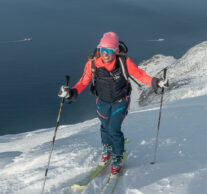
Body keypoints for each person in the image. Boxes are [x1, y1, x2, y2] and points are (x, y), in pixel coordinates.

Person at [58, 32, 168, 174]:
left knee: (114, 129)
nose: (105, 54)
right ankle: (107, 147)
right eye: (103, 50)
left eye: (109, 50)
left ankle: (117, 156)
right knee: (104, 127)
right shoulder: (92, 64)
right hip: (102, 101)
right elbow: (84, 81)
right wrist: (71, 92)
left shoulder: (123, 62)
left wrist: (156, 82)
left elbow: (139, 75)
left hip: (120, 101)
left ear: (115, 51)